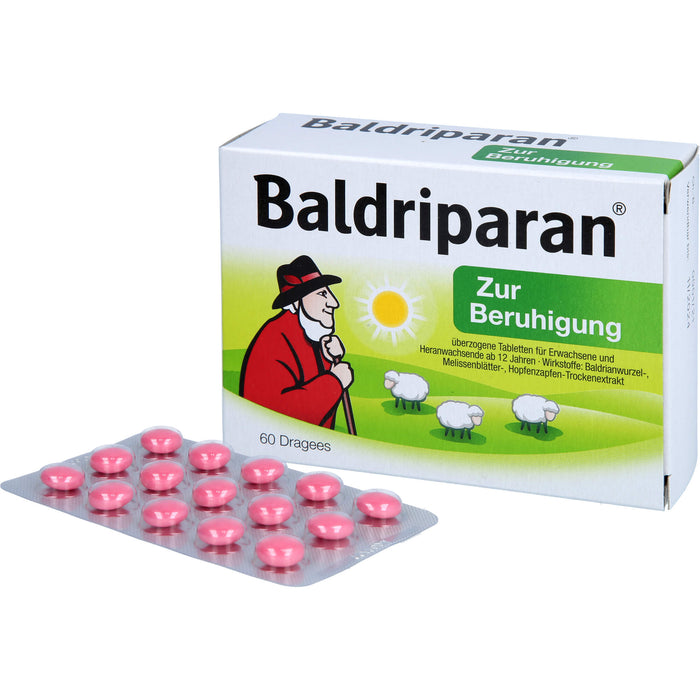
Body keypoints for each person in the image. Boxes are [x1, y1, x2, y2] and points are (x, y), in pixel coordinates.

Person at [239, 255, 353, 429]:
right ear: (297, 301)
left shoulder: (308, 334)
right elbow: (279, 412)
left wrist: (330, 360)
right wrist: (334, 381)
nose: (334, 302)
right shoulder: (275, 339)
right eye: (322, 294)